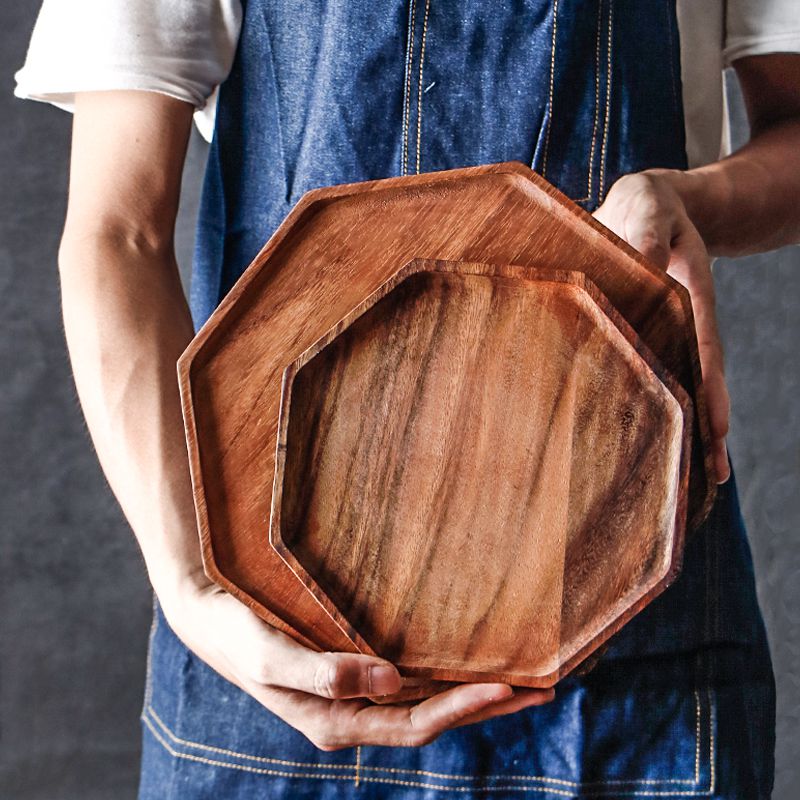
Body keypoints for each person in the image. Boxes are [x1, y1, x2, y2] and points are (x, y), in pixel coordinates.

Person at [15, 1, 800, 797]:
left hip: (636, 623)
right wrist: (193, 588)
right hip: (275, 642)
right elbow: (118, 233)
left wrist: (687, 199)